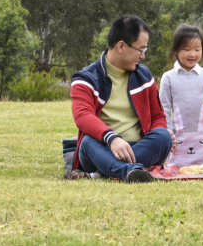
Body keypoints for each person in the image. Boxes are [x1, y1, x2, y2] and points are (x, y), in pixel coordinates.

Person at [68, 15, 176, 183]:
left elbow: (158, 117)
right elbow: (83, 116)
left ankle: (105, 173)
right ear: (121, 46)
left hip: (137, 148)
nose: (143, 56)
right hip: (101, 149)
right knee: (87, 141)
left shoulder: (144, 76)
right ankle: (130, 170)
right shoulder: (85, 79)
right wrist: (112, 138)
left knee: (163, 136)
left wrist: (161, 131)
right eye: (141, 50)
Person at [159, 24, 203, 168]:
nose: (192, 54)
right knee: (179, 170)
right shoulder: (168, 77)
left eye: (197, 49)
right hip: (179, 139)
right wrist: (167, 134)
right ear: (176, 50)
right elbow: (164, 108)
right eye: (186, 49)